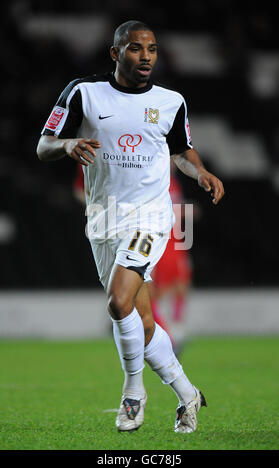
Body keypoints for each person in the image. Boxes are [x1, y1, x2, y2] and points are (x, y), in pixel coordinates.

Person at [37, 20, 225, 434]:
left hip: (150, 218)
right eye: (137, 49)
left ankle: (133, 393)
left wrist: (201, 173)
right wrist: (68, 144)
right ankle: (187, 393)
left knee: (118, 302)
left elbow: (180, 152)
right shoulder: (83, 93)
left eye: (152, 49)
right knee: (140, 321)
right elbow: (43, 144)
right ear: (115, 53)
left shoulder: (172, 101)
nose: (146, 57)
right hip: (104, 219)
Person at [148, 160, 196, 354]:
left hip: (176, 243)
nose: (172, 163)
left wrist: (184, 210)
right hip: (159, 242)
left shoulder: (173, 183)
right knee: (154, 290)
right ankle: (166, 333)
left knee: (181, 284)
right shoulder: (152, 182)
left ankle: (174, 329)